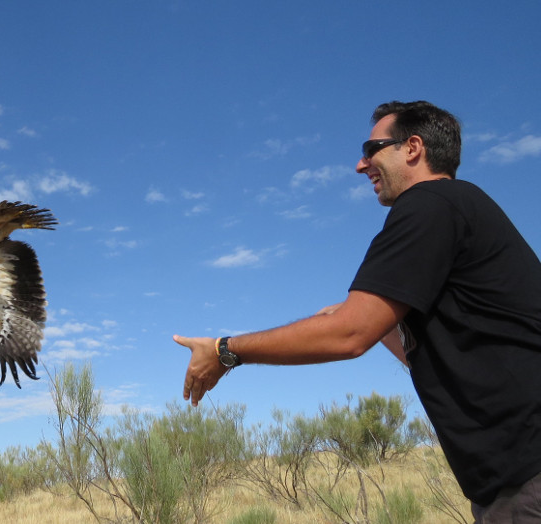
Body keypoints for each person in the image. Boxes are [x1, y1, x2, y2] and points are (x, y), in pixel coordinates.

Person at [174, 100, 541, 522]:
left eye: (372, 148)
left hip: (528, 478)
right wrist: (372, 321)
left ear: (413, 148)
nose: (360, 165)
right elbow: (434, 351)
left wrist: (226, 350)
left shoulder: (429, 204)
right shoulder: (458, 210)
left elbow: (350, 335)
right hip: (511, 482)